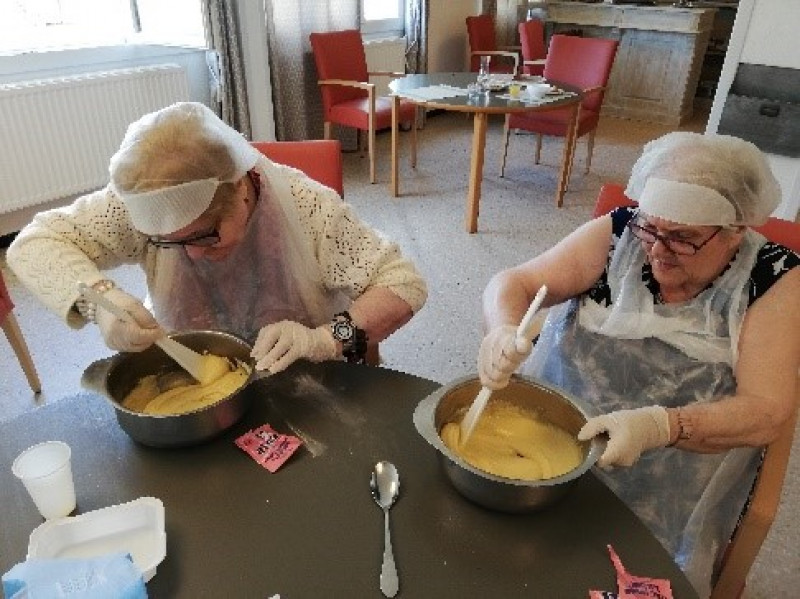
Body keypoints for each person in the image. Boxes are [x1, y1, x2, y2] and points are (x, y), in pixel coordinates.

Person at [477, 132, 800, 596]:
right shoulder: (622, 230)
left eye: (683, 238)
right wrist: (502, 330)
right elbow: (515, 282)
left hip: (674, 481)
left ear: (736, 231)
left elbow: (767, 411)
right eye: (652, 228)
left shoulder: (774, 279)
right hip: (561, 438)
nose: (657, 249)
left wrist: (661, 426)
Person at [7, 102, 427, 373]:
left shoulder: (306, 205)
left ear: (242, 190)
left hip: (308, 373)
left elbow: (403, 284)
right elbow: (33, 243)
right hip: (199, 369)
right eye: (169, 242)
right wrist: (101, 303)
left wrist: (323, 339)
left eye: (205, 235)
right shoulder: (143, 203)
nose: (191, 253)